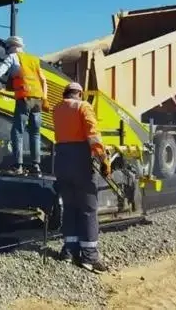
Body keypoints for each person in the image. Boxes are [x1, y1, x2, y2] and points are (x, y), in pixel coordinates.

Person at [52, 82, 110, 273]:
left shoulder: (57, 109)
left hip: (61, 161)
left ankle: (69, 250)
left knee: (69, 207)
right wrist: (103, 159)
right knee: (88, 207)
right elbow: (93, 136)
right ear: (79, 94)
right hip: (79, 161)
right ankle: (90, 257)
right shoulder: (83, 107)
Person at [0, 35, 48, 175]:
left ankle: (18, 166)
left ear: (12, 47)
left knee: (17, 132)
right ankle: (36, 166)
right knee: (35, 133)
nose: (7, 51)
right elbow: (43, 80)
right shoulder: (34, 59)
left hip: (24, 99)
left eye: (8, 48)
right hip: (38, 100)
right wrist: (45, 98)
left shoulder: (13, 57)